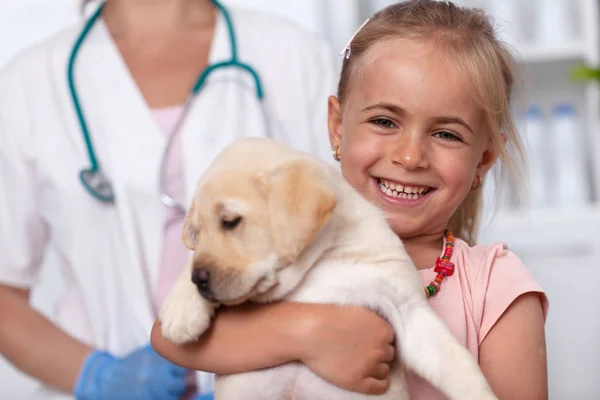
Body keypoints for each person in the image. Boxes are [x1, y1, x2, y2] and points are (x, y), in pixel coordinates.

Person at [150, 1, 550, 399]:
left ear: (482, 162)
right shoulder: (281, 246)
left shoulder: (496, 286)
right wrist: (308, 334)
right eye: (384, 121)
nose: (410, 157)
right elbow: (173, 334)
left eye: (446, 134)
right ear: (337, 128)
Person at [0, 0, 336, 398]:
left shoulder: (293, 54)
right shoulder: (30, 83)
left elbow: (350, 235)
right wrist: (95, 377)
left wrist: (296, 339)